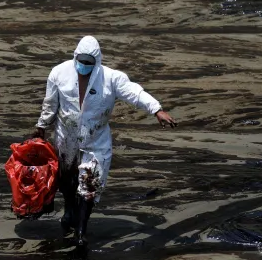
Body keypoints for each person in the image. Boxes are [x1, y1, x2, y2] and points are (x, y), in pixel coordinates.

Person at [31, 36, 177, 247]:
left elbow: (135, 93)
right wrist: (41, 128)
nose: (84, 66)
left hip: (96, 140)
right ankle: (69, 212)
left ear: (97, 62)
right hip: (66, 138)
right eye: (81, 61)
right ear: (75, 57)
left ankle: (81, 231)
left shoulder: (111, 78)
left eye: (89, 63)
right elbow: (50, 103)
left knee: (90, 185)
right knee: (67, 182)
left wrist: (157, 109)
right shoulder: (59, 73)